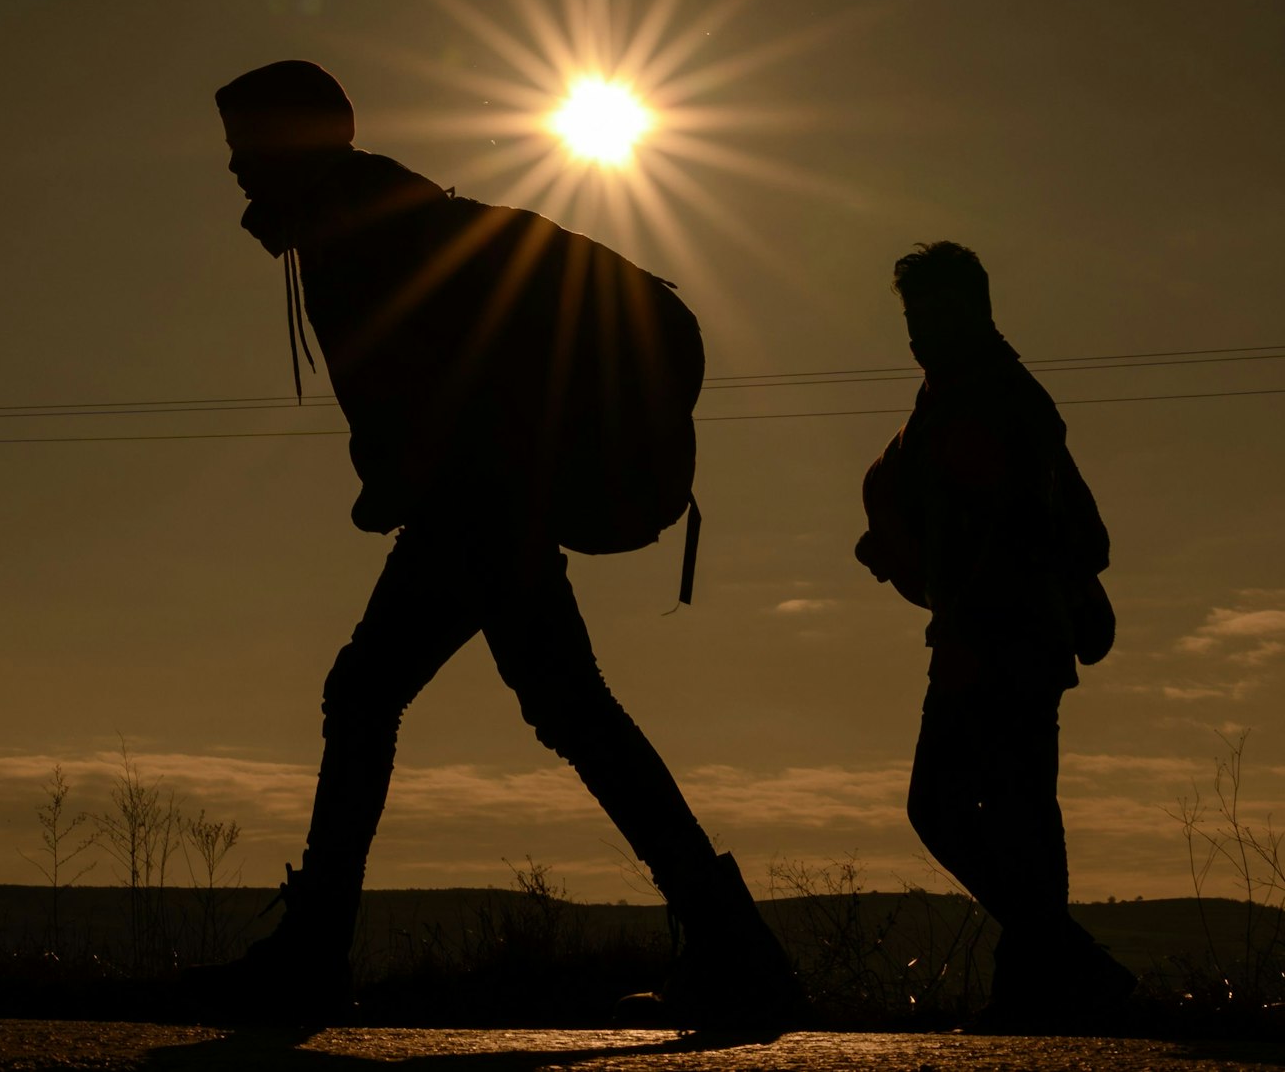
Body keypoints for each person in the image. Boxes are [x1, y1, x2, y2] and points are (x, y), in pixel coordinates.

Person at [194, 59, 799, 1025]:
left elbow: (442, 374)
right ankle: (737, 946)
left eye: (243, 146)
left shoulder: (361, 228)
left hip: (483, 502)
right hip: (489, 497)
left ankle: (311, 955)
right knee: (568, 712)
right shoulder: (364, 214)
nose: (231, 168)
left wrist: (403, 484)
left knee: (371, 692)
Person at [854, 241, 1135, 1029]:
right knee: (1018, 813)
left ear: (973, 310)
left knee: (945, 808)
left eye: (932, 314)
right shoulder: (961, 394)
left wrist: (969, 602)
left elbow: (1037, 528)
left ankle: (1070, 967)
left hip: (997, 637)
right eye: (912, 317)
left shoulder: (993, 396)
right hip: (1002, 634)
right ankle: (1043, 988)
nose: (917, 332)